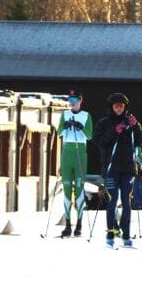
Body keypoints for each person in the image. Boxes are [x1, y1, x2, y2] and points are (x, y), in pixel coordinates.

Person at [93, 92, 142, 248]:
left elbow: (141, 142)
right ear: (111, 107)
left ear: (125, 107)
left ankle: (126, 236)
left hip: (128, 169)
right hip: (111, 168)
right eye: (116, 106)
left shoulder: (131, 122)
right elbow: (100, 143)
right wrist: (115, 131)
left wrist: (136, 127)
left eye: (121, 106)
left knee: (126, 202)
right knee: (112, 201)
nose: (119, 109)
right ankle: (111, 234)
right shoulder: (104, 123)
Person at [56, 88, 92, 237]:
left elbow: (89, 135)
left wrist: (80, 127)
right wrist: (64, 126)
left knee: (78, 190)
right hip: (67, 152)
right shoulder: (64, 114)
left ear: (80, 100)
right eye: (70, 101)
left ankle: (79, 224)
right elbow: (58, 132)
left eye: (74, 101)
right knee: (66, 190)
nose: (72, 104)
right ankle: (68, 225)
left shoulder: (86, 115)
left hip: (80, 152)